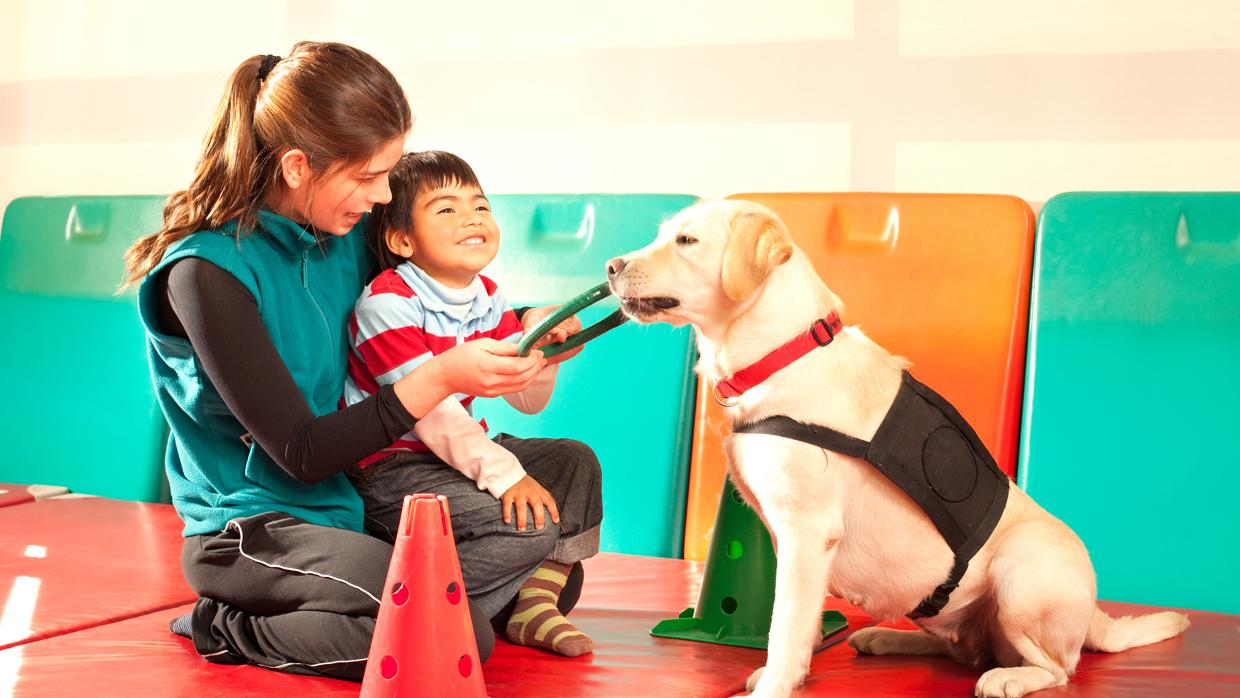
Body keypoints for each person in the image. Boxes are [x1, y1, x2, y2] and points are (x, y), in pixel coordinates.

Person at [120, 42, 577, 680]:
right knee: (453, 635)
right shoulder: (205, 275)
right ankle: (226, 624)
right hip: (254, 529)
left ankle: (399, 596)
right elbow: (303, 453)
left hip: (353, 509)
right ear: (298, 166)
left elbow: (434, 282)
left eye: (388, 173)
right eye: (367, 177)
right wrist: (441, 376)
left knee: (559, 528)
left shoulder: (342, 234)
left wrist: (532, 323)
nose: (384, 194)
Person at [343, 150, 603, 657]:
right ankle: (421, 618)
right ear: (401, 239)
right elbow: (431, 415)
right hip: (393, 468)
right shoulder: (387, 304)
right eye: (446, 209)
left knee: (575, 462)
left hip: (456, 452)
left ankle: (534, 606)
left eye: (479, 206)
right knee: (529, 527)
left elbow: (525, 399)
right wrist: (506, 476)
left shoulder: (487, 295)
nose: (471, 218)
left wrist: (545, 351)